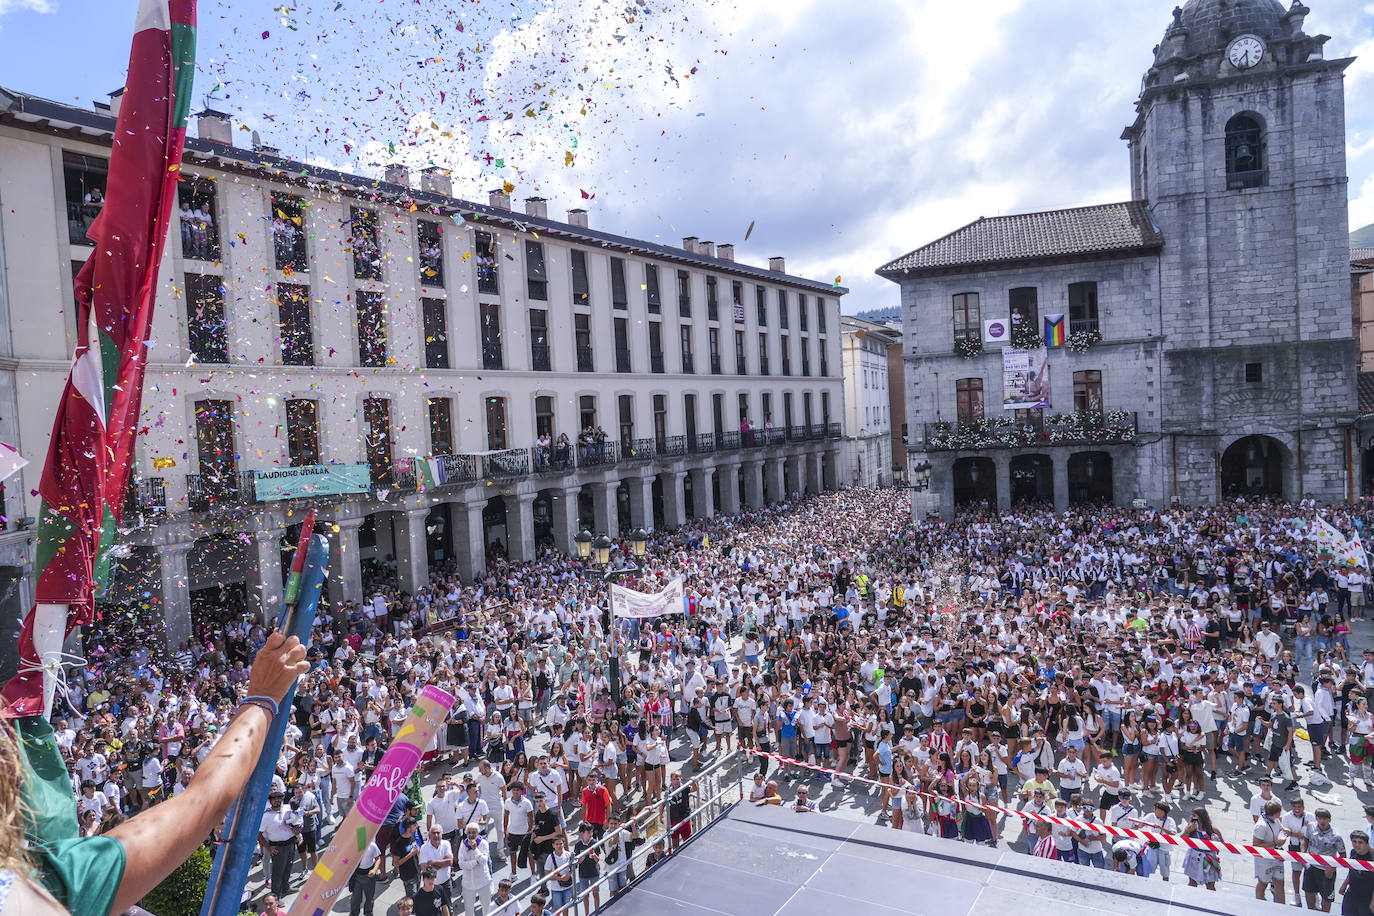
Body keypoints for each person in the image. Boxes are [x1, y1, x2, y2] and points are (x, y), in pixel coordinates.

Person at [1304, 808, 1346, 913]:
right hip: (1311, 866)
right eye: (1319, 818)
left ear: (1329, 820)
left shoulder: (1336, 836)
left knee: (1326, 897)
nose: (1322, 821)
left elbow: (1343, 855)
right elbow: (1305, 840)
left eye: (1324, 819)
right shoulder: (1310, 827)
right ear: (1316, 818)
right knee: (1309, 891)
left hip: (1326, 871)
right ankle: (1310, 912)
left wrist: (1332, 868)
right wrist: (1303, 856)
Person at [1180, 808, 1222, 890]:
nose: (1192, 817)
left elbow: (1222, 845)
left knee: (1210, 885)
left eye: (1194, 815)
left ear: (1202, 817)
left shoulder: (1213, 829)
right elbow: (1181, 840)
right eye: (1192, 815)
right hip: (1194, 858)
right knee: (1192, 883)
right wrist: (1187, 831)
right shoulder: (1191, 828)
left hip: (1209, 860)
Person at [1254, 799, 1287, 904]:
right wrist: (1275, 843)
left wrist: (1285, 832)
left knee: (1280, 883)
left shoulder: (1275, 819)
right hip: (1264, 860)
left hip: (1276, 856)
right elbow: (1256, 845)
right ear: (1276, 813)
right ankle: (1259, 905)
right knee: (1263, 883)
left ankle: (1282, 909)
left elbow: (1281, 829)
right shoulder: (1261, 826)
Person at [456, 821, 491, 916]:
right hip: (468, 884)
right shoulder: (463, 845)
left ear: (478, 833)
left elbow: (484, 861)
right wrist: (475, 862)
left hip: (483, 881)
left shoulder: (483, 844)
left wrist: (475, 849)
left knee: (486, 908)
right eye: (469, 832)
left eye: (474, 832)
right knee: (469, 910)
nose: (471, 835)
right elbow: (461, 864)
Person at [1341, 830, 1374, 916]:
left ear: (1367, 844)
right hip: (1352, 894)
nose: (1357, 845)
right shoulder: (1353, 852)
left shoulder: (1372, 858)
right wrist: (1344, 884)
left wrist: (1373, 902)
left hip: (1367, 897)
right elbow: (1351, 870)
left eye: (1360, 842)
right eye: (1354, 842)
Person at [348, 839, 384, 916]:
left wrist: (374, 870)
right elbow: (346, 860)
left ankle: (368, 913)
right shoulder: (352, 846)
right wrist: (346, 863)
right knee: (355, 899)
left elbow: (378, 858)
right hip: (356, 875)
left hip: (368, 875)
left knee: (369, 897)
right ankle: (354, 913)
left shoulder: (372, 846)